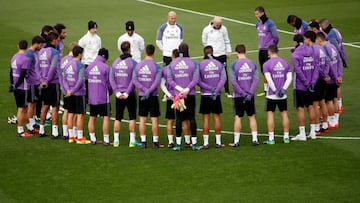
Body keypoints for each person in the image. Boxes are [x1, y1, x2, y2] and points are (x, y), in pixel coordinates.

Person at [167, 42, 200, 151]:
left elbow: (169, 80)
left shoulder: (172, 64)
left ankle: (177, 144)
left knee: (179, 119)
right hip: (190, 94)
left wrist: (180, 89)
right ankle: (194, 144)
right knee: (191, 118)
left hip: (178, 96)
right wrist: (187, 89)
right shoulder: (193, 63)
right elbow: (196, 79)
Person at [110, 41, 141, 148]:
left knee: (118, 117)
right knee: (132, 117)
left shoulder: (115, 63)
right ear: (129, 49)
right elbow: (134, 79)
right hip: (130, 93)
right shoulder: (133, 63)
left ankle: (116, 141)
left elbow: (111, 78)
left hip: (119, 94)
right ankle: (132, 141)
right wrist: (127, 92)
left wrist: (117, 92)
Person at [132, 44, 163, 149]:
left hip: (142, 95)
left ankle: (143, 142)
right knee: (154, 120)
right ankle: (155, 142)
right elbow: (157, 81)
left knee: (142, 120)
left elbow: (134, 80)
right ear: (154, 53)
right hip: (153, 95)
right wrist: (149, 90)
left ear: (145, 52)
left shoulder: (138, 65)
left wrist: (144, 90)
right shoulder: (157, 67)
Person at [291, 32, 320, 141]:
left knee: (300, 108)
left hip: (300, 86)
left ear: (295, 42)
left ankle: (302, 134)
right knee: (311, 106)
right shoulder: (313, 51)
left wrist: (306, 82)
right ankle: (313, 132)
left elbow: (298, 71)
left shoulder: (295, 54)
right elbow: (316, 67)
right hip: (311, 84)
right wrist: (312, 82)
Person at [229, 44, 259, 146]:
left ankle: (236, 141)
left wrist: (242, 93)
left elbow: (233, 81)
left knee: (238, 117)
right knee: (251, 116)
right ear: (245, 52)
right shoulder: (252, 63)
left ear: (236, 52)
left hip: (238, 95)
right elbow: (255, 80)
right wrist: (250, 93)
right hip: (250, 95)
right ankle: (255, 139)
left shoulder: (233, 65)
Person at [262, 45, 292, 144]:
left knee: (270, 115)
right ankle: (286, 137)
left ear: (269, 52)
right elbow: (289, 78)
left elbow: (269, 79)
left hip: (271, 94)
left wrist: (275, 90)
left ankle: (271, 139)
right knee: (284, 114)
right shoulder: (285, 63)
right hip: (283, 95)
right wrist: (283, 89)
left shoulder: (266, 64)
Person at [198, 46, 226, 149]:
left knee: (206, 119)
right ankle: (218, 142)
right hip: (216, 95)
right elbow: (223, 78)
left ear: (204, 53)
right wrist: (216, 89)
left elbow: (198, 81)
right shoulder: (219, 64)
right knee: (216, 117)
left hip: (205, 95)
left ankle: (206, 143)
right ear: (213, 52)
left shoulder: (200, 64)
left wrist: (208, 88)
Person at [62, 45, 89, 144]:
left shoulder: (67, 64)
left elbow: (64, 79)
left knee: (71, 114)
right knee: (80, 115)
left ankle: (71, 136)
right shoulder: (80, 65)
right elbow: (80, 81)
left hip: (69, 93)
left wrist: (68, 90)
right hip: (79, 93)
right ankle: (80, 137)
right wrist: (73, 90)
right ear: (80, 54)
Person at [315, 32, 342, 130]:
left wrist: (332, 77)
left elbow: (328, 64)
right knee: (335, 99)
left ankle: (331, 121)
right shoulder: (332, 46)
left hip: (330, 79)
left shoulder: (324, 49)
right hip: (336, 77)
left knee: (328, 101)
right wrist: (339, 75)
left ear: (319, 40)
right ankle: (335, 120)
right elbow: (339, 61)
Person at [319, 18, 346, 114]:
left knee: (331, 96)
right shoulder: (335, 30)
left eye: (321, 27)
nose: (321, 29)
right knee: (336, 88)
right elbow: (340, 47)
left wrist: (332, 75)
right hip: (337, 60)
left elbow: (334, 50)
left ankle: (338, 107)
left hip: (333, 65)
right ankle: (339, 106)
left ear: (324, 26)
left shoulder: (331, 35)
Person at [86, 48, 112, 145]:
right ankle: (106, 140)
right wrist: (110, 91)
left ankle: (92, 138)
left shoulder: (89, 67)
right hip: (103, 97)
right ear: (105, 56)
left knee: (92, 117)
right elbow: (109, 83)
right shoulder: (105, 67)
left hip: (92, 97)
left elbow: (87, 81)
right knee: (106, 117)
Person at [38, 32, 61, 138]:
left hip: (43, 83)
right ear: (54, 40)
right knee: (55, 107)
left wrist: (41, 80)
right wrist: (47, 80)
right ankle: (54, 132)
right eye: (57, 40)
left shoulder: (41, 51)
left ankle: (41, 130)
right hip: (53, 82)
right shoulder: (55, 52)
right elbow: (53, 68)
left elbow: (37, 67)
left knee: (45, 105)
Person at [201, 16, 232, 97]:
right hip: (212, 55)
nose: (219, 26)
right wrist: (208, 51)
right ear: (213, 22)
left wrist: (228, 51)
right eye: (217, 24)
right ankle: (213, 89)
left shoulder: (224, 29)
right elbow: (204, 41)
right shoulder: (206, 30)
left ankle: (227, 91)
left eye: (220, 24)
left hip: (222, 54)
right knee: (212, 73)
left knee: (224, 73)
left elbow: (227, 40)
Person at [9, 40, 33, 137]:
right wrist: (17, 85)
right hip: (22, 87)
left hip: (16, 86)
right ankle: (20, 131)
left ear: (18, 46)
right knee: (21, 108)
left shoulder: (14, 57)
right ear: (27, 48)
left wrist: (12, 84)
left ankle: (29, 127)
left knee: (25, 108)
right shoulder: (25, 59)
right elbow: (23, 74)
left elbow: (11, 72)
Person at [254, 6, 280, 95]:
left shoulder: (270, 23)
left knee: (270, 70)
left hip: (268, 51)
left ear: (262, 13)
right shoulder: (257, 24)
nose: (256, 15)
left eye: (257, 14)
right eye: (255, 14)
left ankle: (273, 87)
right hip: (261, 50)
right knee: (263, 70)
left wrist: (272, 47)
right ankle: (266, 90)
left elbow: (276, 37)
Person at [25, 36, 45, 135]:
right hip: (32, 82)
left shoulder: (35, 53)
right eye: (41, 45)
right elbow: (26, 69)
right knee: (31, 104)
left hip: (36, 82)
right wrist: (29, 80)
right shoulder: (29, 54)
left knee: (35, 103)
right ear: (36, 43)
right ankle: (29, 125)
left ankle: (32, 122)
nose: (41, 47)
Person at [59, 42, 78, 140]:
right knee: (73, 112)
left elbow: (60, 75)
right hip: (73, 89)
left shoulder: (63, 60)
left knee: (66, 110)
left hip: (64, 88)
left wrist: (63, 87)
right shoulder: (73, 61)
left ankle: (65, 132)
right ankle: (73, 133)